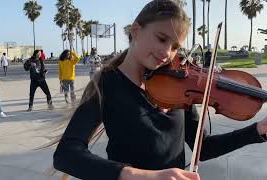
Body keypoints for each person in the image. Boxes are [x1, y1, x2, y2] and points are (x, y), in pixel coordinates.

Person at [53, 1, 267, 180]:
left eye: (175, 46)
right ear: (136, 31)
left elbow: (205, 147)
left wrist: (257, 130)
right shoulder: (107, 84)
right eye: (162, 38)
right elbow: (66, 155)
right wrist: (145, 176)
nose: (167, 53)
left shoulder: (180, 87)